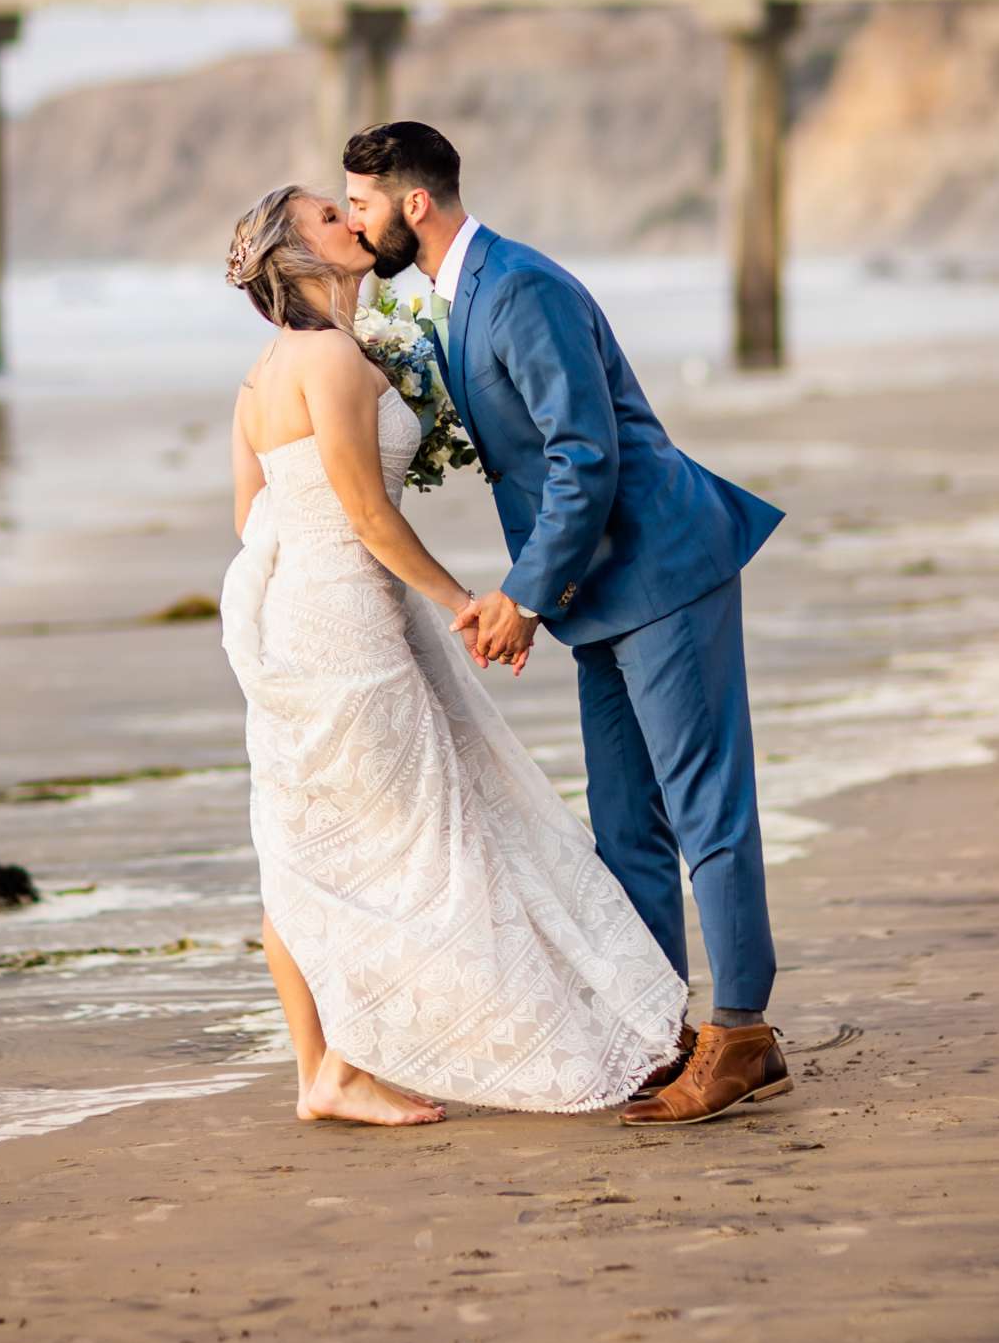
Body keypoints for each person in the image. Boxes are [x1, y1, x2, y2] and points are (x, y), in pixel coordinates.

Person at [342, 121, 791, 1128]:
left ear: (415, 204)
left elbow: (584, 454)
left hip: (663, 566)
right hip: (599, 589)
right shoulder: (457, 297)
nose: (359, 220)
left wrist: (524, 595)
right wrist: (544, 596)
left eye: (363, 202)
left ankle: (743, 1031)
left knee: (707, 808)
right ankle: (654, 1031)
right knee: (626, 823)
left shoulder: (519, 288)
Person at [218, 183, 690, 1126]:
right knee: (408, 839)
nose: (349, 222)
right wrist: (463, 601)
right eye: (326, 217)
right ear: (298, 257)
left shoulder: (261, 375)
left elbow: (251, 519)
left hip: (296, 614)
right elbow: (365, 514)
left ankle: (322, 1071)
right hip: (351, 622)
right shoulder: (332, 362)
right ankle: (356, 1062)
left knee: (310, 843)